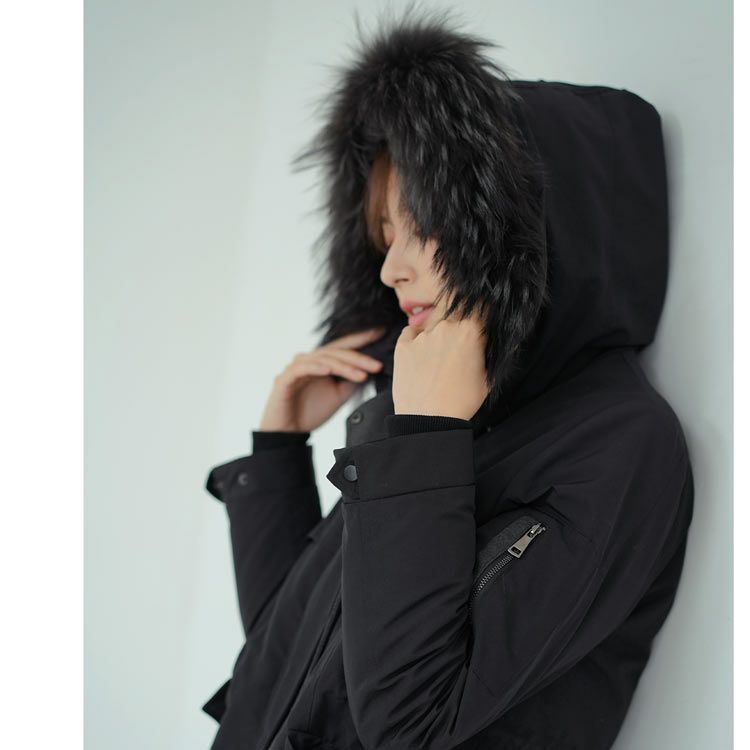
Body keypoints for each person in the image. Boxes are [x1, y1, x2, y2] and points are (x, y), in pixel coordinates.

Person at [201, 9, 695, 750]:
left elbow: (408, 723)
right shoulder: (425, 411)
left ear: (522, 229)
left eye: (424, 227)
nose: (390, 270)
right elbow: (292, 665)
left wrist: (425, 440)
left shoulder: (618, 446)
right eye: (384, 236)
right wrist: (277, 453)